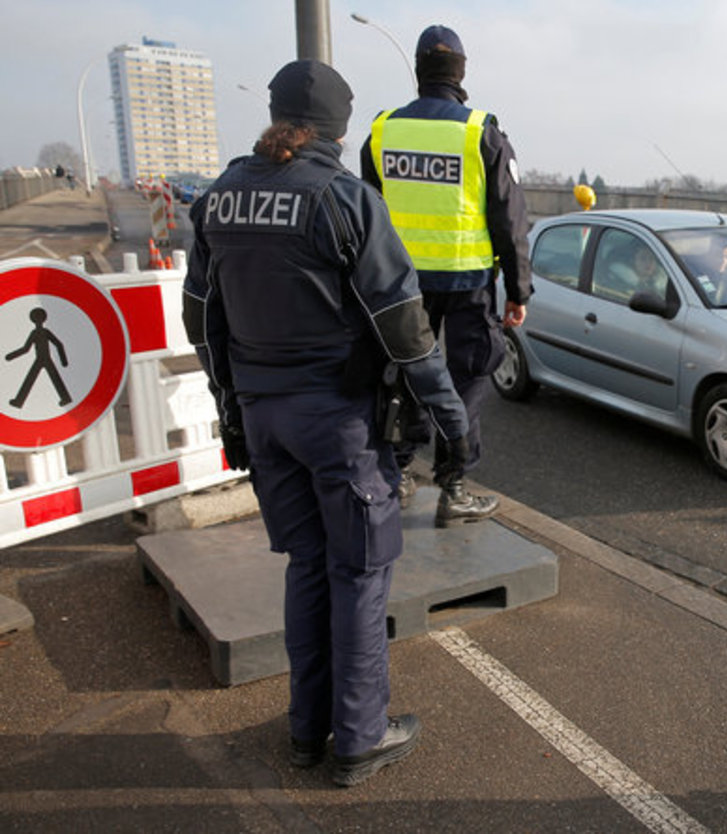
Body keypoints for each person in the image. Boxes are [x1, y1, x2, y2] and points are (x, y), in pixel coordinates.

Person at [183, 60, 472, 788]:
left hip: (263, 416)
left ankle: (307, 731)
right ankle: (360, 737)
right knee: (360, 573)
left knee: (307, 566)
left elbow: (202, 319)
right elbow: (404, 330)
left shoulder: (220, 199)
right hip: (339, 426)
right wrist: (451, 421)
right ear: (339, 132)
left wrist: (232, 410)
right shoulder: (344, 199)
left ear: (277, 116)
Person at [360, 24, 533, 528]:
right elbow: (509, 219)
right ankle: (453, 483)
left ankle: (401, 468)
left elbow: (366, 215)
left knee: (405, 373)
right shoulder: (481, 133)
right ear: (460, 73)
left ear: (418, 71)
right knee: (470, 376)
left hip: (399, 285)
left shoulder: (383, 130)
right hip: (467, 282)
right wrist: (518, 290)